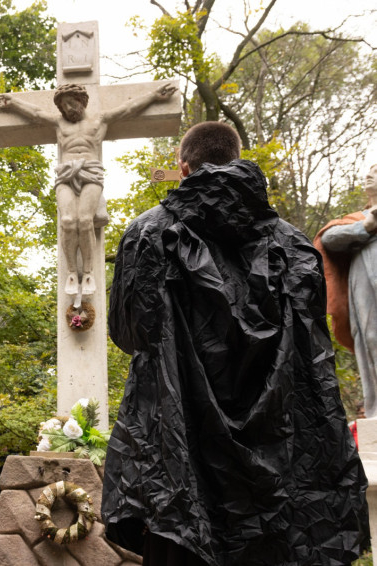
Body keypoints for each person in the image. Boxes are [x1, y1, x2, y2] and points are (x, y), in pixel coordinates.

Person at [102, 121, 370, 565]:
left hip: (180, 456)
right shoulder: (292, 244)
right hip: (276, 465)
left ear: (183, 168)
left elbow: (129, 334)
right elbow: (311, 358)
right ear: (237, 160)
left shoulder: (149, 233)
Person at [0, 82, 177, 296]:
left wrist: (154, 96)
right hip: (66, 174)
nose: (68, 108)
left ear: (81, 100)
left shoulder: (100, 119)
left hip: (91, 172)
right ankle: (72, 272)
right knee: (67, 221)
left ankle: (88, 272)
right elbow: (35, 113)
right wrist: (13, 103)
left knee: (84, 220)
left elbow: (128, 109)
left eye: (71, 103)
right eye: (64, 106)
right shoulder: (59, 123)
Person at [314, 163, 377, 417]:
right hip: (364, 281)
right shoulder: (359, 219)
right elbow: (328, 239)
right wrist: (366, 226)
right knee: (370, 336)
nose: (369, 175)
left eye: (376, 172)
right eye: (369, 172)